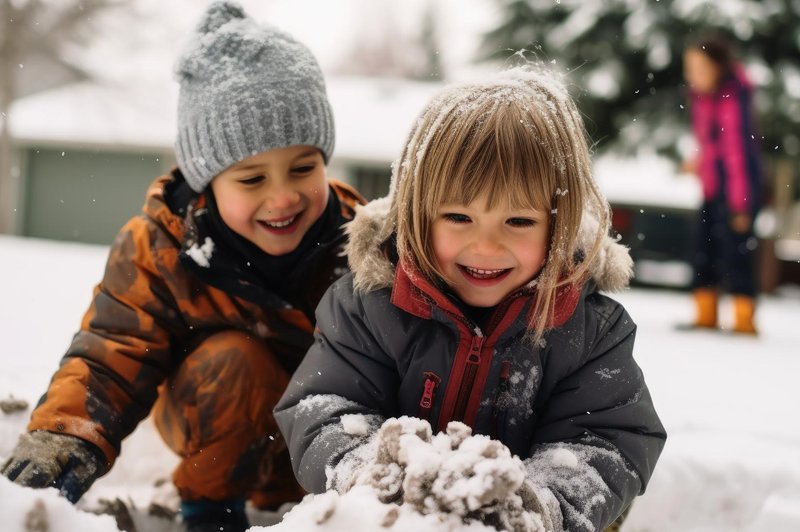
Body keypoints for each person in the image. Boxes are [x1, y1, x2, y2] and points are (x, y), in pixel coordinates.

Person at [1, 2, 363, 531]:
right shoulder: (160, 248)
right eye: (252, 179)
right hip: (217, 432)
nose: (283, 197)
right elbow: (111, 353)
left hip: (329, 453)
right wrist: (65, 435)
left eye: (303, 168)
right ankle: (210, 514)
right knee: (234, 359)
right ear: (206, 181)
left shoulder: (361, 242)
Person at [275, 67, 666, 531]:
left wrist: (536, 505)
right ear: (419, 215)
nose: (485, 246)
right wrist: (371, 471)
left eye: (518, 221)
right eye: (459, 217)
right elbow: (323, 408)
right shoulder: (368, 306)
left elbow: (607, 441)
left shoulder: (589, 329)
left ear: (558, 224)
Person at [681, 34, 763, 334]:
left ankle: (744, 318)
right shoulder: (703, 98)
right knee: (705, 246)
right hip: (714, 186)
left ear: (718, 67)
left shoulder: (732, 99)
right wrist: (700, 164)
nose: (692, 75)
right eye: (689, 68)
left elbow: (737, 153)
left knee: (737, 250)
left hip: (737, 188)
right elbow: (711, 145)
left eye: (699, 67)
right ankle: (705, 313)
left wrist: (741, 204)